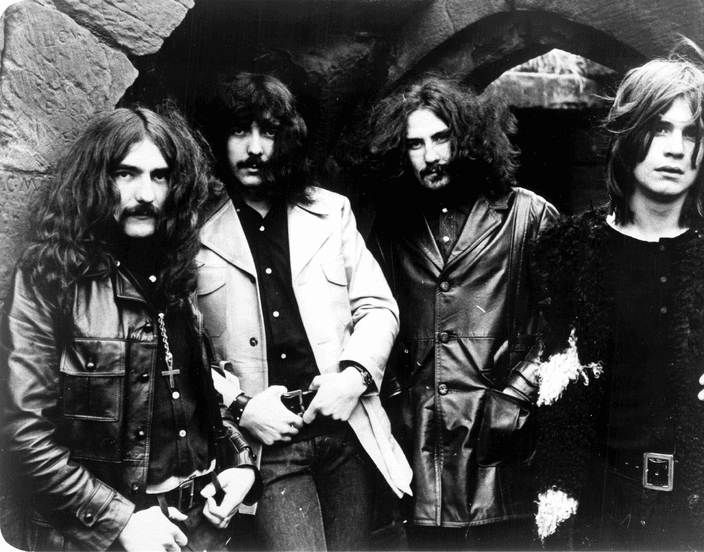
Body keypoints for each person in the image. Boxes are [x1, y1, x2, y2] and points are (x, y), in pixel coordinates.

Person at [526, 41, 704, 549]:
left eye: (691, 132)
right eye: (658, 128)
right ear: (628, 135)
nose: (675, 148)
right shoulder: (572, 248)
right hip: (609, 515)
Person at [0, 107, 260, 552]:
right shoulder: (50, 275)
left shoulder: (176, 266)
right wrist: (120, 522)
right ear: (96, 181)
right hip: (105, 536)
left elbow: (198, 393)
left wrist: (239, 464)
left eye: (160, 176)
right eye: (126, 174)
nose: (145, 194)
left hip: (200, 524)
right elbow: (24, 430)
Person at [196, 72, 412, 551]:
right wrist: (242, 407)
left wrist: (353, 378)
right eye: (240, 131)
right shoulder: (194, 231)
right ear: (218, 139)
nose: (255, 148)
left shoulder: (332, 212)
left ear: (287, 140)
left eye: (269, 132)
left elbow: (378, 306)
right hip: (266, 444)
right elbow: (183, 348)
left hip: (346, 430)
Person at [361, 75, 558, 550]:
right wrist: (398, 405)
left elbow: (567, 324)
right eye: (415, 144)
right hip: (422, 452)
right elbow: (370, 318)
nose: (430, 156)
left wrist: (517, 396)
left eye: (441, 138)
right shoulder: (390, 228)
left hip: (504, 449)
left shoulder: (528, 215)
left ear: (468, 138)